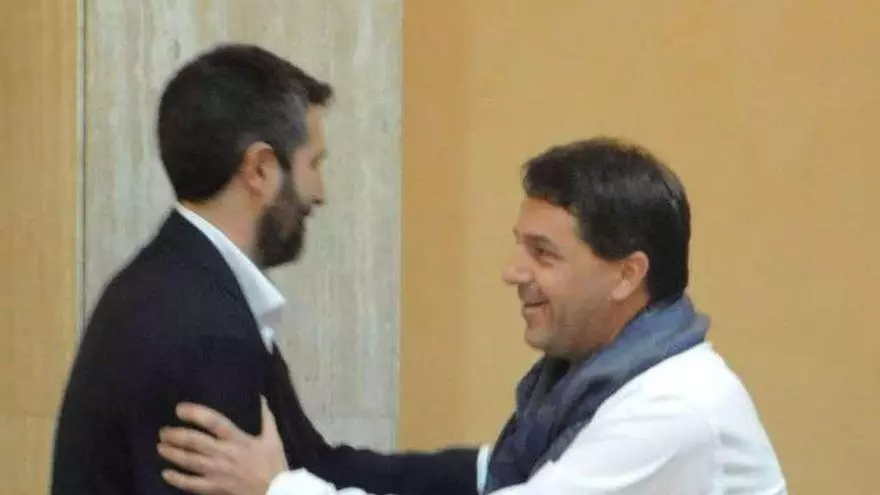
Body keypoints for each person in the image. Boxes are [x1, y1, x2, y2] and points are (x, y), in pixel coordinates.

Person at [156, 137, 789, 494]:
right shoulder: (592, 384)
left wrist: (277, 488)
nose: (514, 272)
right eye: (520, 247)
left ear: (627, 274)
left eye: (543, 254)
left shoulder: (675, 411)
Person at [51, 43, 483, 495]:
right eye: (314, 163)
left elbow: (310, 465)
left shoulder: (173, 284)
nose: (320, 192)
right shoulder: (209, 329)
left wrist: (489, 470)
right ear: (260, 170)